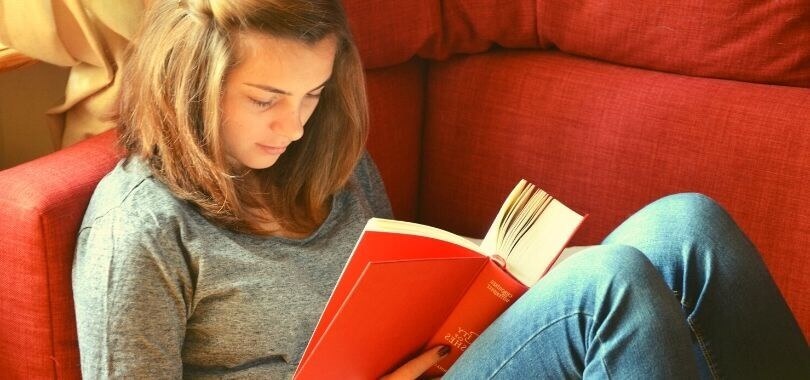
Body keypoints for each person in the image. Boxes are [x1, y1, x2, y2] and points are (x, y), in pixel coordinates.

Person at [72, 0, 809, 379]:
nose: (293, 127)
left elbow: (402, 296)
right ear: (189, 83)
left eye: (313, 96)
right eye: (266, 99)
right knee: (605, 281)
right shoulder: (138, 230)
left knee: (689, 226)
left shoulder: (327, 159)